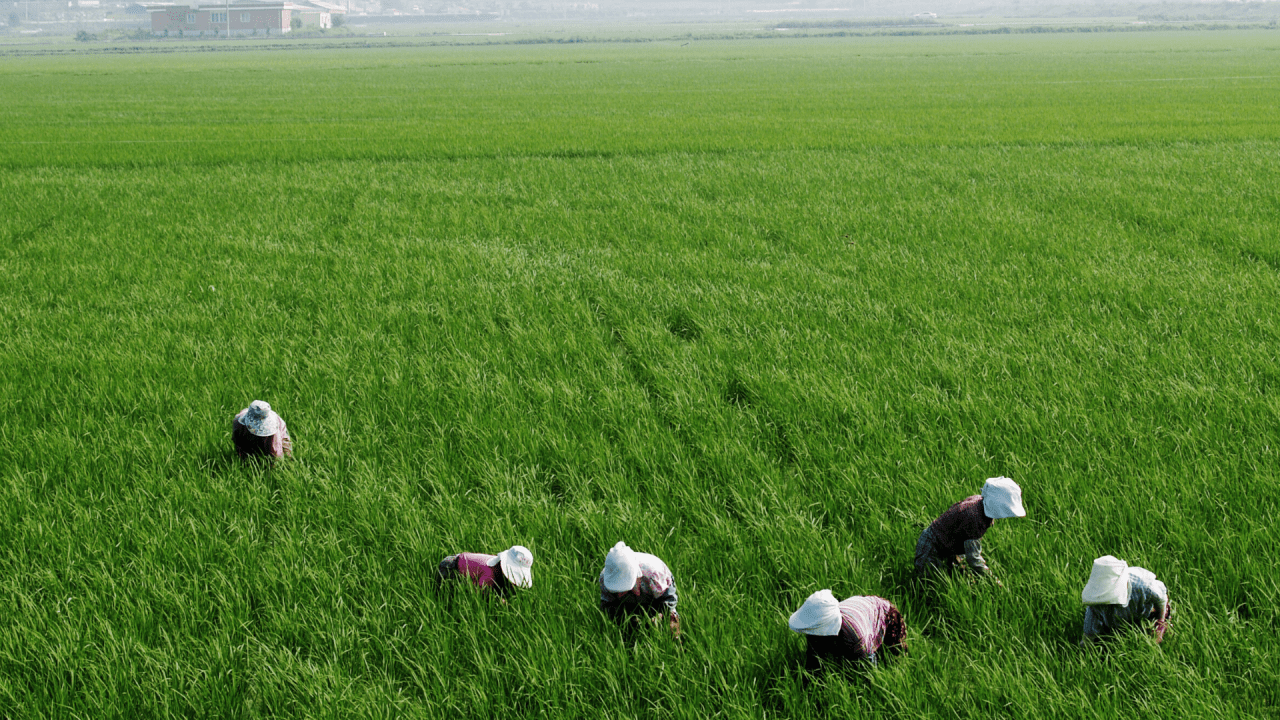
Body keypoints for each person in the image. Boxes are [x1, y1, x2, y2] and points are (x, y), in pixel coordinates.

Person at [914, 476, 1025, 582]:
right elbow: (974, 559)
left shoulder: (980, 502)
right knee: (928, 584)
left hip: (951, 548)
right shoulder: (974, 518)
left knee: (959, 579)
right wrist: (993, 581)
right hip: (932, 547)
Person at [788, 589, 908, 669]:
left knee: (893, 656)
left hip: (886, 613)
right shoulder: (815, 631)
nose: (812, 637)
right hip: (859, 608)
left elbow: (868, 667)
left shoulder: (854, 635)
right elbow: (813, 662)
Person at [1081, 555, 1170, 645]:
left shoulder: (1143, 587)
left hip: (1141, 610)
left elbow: (1161, 598)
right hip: (1116, 621)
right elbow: (1088, 636)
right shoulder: (1096, 605)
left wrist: (1161, 620)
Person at [598, 541, 680, 636]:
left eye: (623, 590)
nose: (619, 595)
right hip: (636, 595)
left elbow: (668, 598)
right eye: (615, 591)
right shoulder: (606, 578)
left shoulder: (654, 574)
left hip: (656, 591)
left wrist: (661, 615)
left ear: (637, 576)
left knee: (670, 619)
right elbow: (607, 604)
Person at [437, 545, 534, 598]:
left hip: (458, 559)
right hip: (450, 566)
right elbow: (478, 593)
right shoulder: (490, 574)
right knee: (448, 592)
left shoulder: (496, 563)